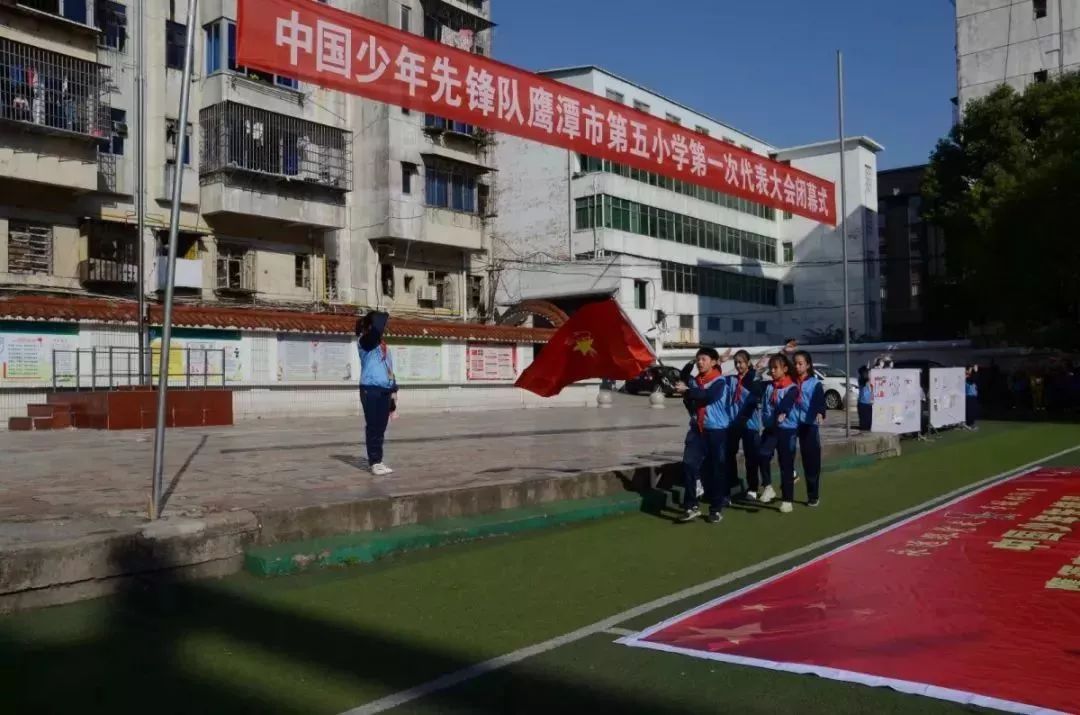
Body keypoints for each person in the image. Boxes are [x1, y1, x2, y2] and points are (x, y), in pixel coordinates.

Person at [673, 347, 731, 524]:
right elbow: (685, 381)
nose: (700, 362)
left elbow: (707, 396)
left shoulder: (719, 382)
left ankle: (716, 508)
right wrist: (686, 392)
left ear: (714, 362)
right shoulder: (695, 382)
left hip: (716, 431)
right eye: (698, 359)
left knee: (715, 470)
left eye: (704, 359)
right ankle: (691, 506)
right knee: (689, 463)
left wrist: (688, 392)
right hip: (697, 430)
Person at [356, 310, 398, 475]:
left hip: (384, 390)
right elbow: (375, 331)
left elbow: (389, 369)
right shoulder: (365, 342)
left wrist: (394, 389)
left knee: (381, 427)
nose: (384, 328)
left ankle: (378, 460)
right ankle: (374, 461)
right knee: (373, 426)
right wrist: (381, 316)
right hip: (370, 389)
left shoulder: (382, 346)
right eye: (382, 325)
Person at [757, 353, 798, 513]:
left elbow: (789, 401)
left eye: (775, 368)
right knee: (762, 454)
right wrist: (757, 369)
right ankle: (768, 487)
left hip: (787, 430)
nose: (772, 371)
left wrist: (783, 412)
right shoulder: (768, 386)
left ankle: (787, 500)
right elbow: (752, 385)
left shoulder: (791, 387)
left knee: (785, 464)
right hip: (770, 428)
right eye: (770, 368)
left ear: (785, 369)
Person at [726, 350, 764, 501]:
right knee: (729, 454)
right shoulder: (732, 380)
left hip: (750, 424)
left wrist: (754, 370)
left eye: (741, 362)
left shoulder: (754, 377)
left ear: (748, 363)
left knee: (751, 457)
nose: (738, 365)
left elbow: (757, 394)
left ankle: (753, 487)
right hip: (733, 423)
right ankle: (733, 483)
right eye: (736, 362)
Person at [791, 351, 826, 508]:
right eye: (795, 363)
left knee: (811, 461)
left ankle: (813, 495)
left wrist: (820, 412)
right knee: (783, 450)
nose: (797, 366)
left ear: (808, 365)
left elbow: (819, 401)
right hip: (791, 423)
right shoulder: (790, 382)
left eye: (800, 363)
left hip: (808, 424)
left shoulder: (814, 384)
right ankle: (791, 477)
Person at [857, 365, 873, 432]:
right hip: (863, 404)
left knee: (868, 424)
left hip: (867, 403)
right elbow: (867, 379)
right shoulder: (862, 379)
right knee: (865, 425)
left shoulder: (864, 379)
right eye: (867, 372)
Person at [965, 365, 979, 430]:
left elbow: (973, 379)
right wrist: (975, 371)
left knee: (973, 411)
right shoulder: (967, 379)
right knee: (969, 412)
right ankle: (969, 425)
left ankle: (971, 424)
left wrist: (971, 370)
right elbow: (973, 379)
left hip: (972, 397)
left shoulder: (969, 378)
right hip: (969, 397)